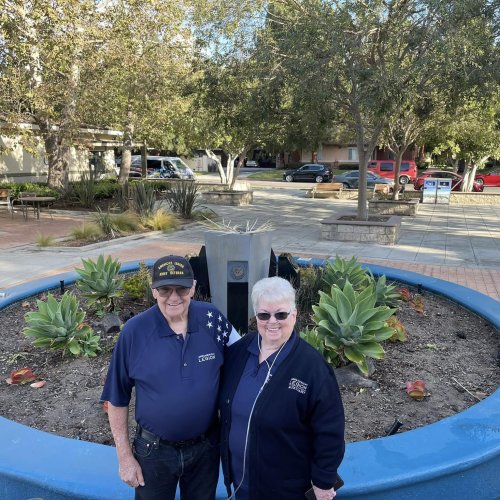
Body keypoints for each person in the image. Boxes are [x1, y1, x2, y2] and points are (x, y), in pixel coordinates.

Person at [101, 255, 240, 500]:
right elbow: (117, 398)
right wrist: (124, 457)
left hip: (205, 448)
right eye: (165, 289)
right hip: (154, 452)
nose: (174, 297)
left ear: (193, 288)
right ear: (153, 290)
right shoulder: (134, 332)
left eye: (182, 288)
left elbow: (243, 360)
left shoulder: (212, 320)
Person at [219, 277, 345, 500]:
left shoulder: (312, 367)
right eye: (264, 315)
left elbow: (330, 430)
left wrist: (324, 481)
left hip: (285, 489)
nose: (272, 321)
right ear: (256, 316)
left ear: (294, 315)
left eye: (281, 314)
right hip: (240, 483)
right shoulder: (239, 352)